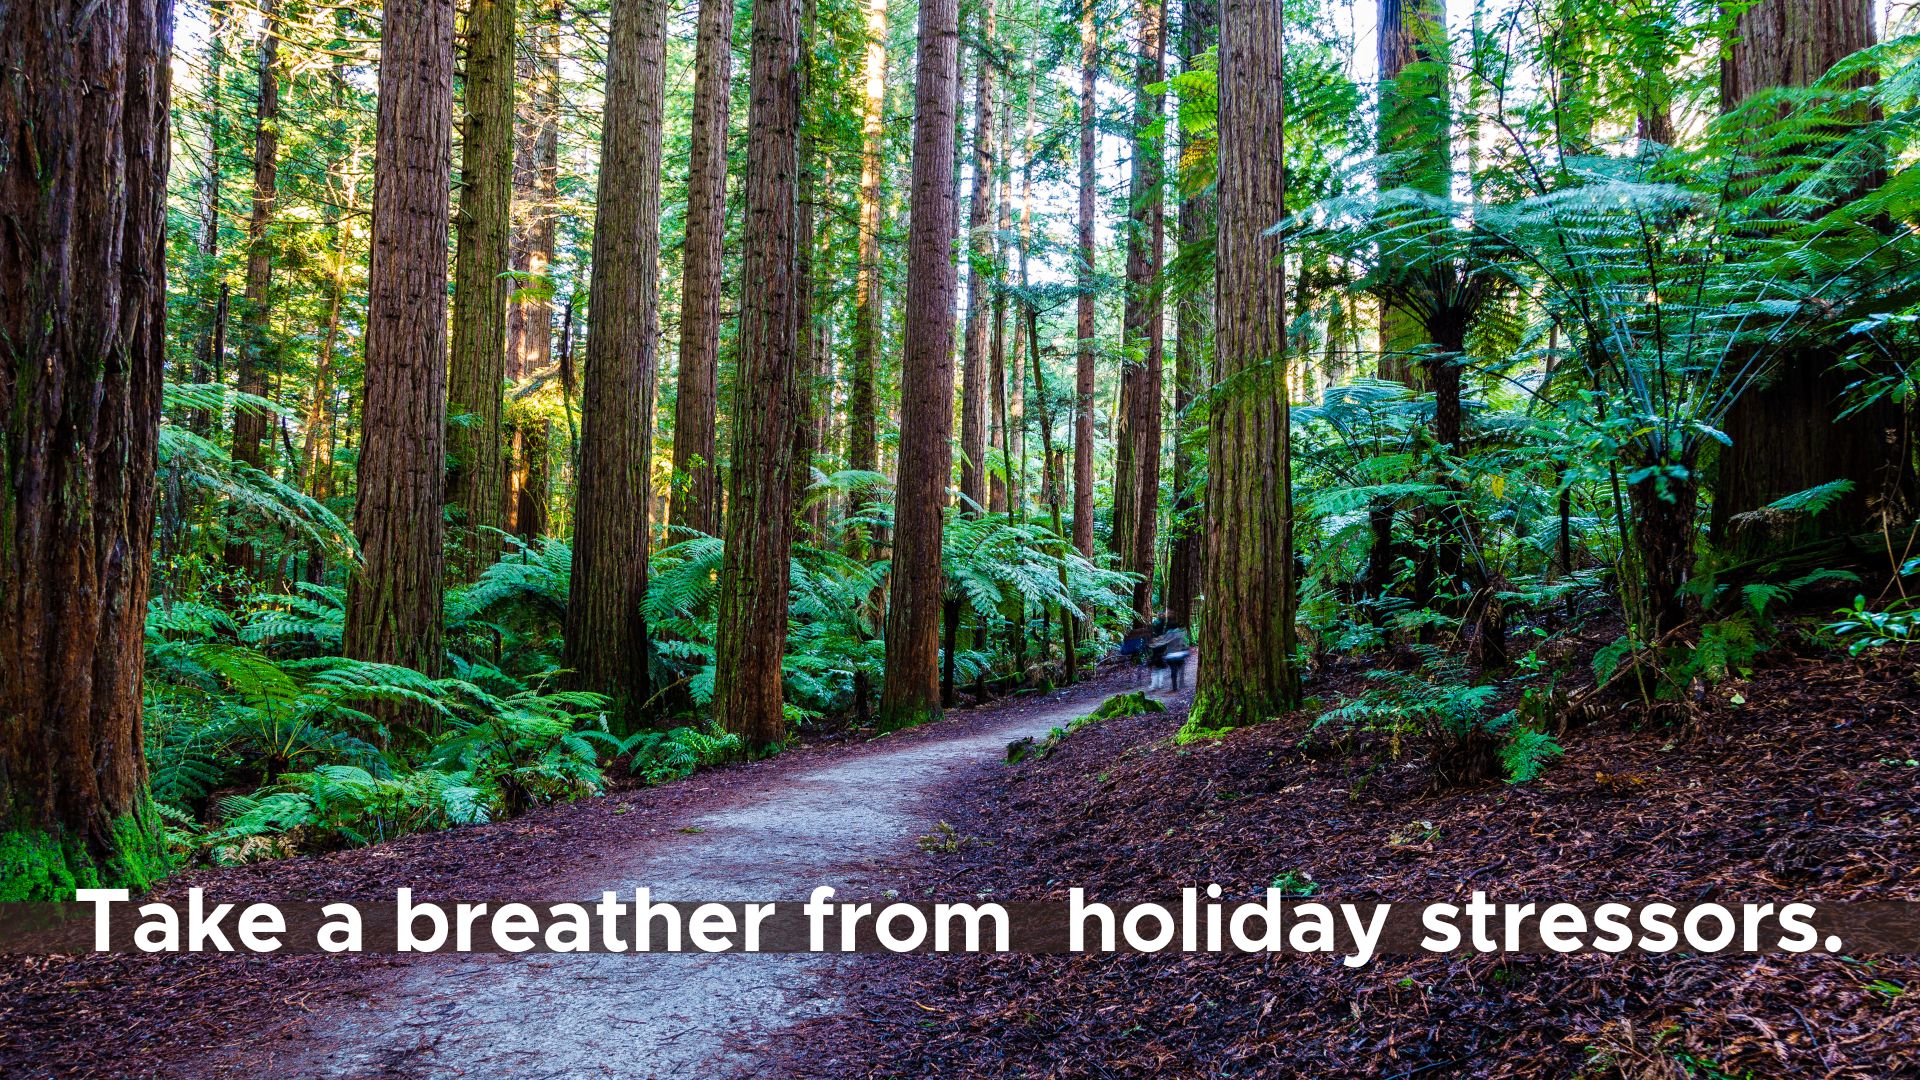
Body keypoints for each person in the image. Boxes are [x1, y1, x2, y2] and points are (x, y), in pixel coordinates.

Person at [1148, 624, 1190, 692]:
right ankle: (1181, 684)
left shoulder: (1169, 634)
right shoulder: (1181, 634)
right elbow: (1185, 645)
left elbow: (1162, 641)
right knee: (1181, 669)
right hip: (1179, 655)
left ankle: (1174, 687)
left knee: (1174, 672)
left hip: (1171, 656)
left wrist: (1153, 645)